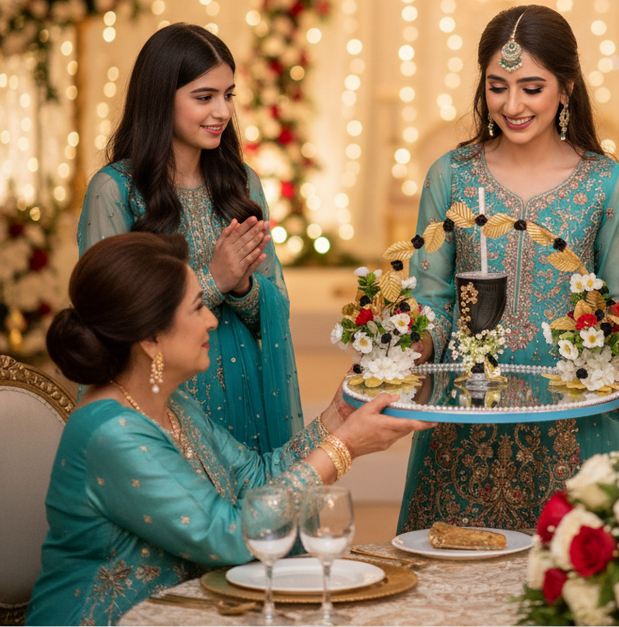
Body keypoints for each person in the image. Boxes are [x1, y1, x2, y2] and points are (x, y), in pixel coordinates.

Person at [26, 232, 432, 627]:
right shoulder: (109, 432)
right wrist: (343, 449)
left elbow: (256, 481)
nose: (212, 322)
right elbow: (231, 536)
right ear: (150, 337)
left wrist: (338, 418)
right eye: (198, 307)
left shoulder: (173, 404)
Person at [397, 4, 619, 533]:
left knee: (570, 597)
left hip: (570, 425)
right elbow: (433, 298)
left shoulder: (606, 184)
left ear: (567, 88)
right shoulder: (450, 176)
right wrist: (406, 346)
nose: (512, 104)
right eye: (497, 86)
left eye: (532, 88)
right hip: (466, 417)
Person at [77, 23, 300, 454]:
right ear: (161, 98)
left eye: (228, 95)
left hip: (244, 392)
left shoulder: (242, 185)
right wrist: (213, 279)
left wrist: (244, 287)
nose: (222, 112)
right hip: (161, 400)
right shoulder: (115, 191)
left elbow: (277, 306)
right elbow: (109, 318)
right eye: (204, 97)